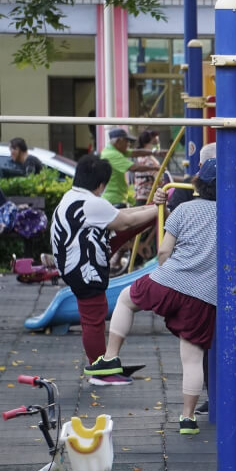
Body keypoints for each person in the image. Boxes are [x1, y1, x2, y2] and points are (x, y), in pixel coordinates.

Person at [84, 158, 236, 435]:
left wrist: (165, 275)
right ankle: (187, 418)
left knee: (125, 299)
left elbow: (163, 252)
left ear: (199, 185)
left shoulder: (184, 209)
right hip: (204, 296)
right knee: (192, 356)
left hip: (169, 281)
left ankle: (110, 356)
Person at [165, 142, 236, 416]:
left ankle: (215, 398)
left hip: (212, 275)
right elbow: (170, 224)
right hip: (208, 274)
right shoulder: (186, 193)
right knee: (210, 339)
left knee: (206, 341)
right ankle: (218, 398)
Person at [50, 155, 166, 385]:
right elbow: (123, 222)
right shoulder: (91, 203)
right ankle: (100, 371)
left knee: (92, 315)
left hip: (78, 258)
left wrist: (154, 207)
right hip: (82, 266)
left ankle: (101, 365)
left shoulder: (74, 197)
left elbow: (125, 217)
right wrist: (156, 211)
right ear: (101, 185)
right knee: (94, 316)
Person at [100, 128, 161, 208]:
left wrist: (154, 152)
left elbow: (135, 152)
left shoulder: (114, 150)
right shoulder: (111, 154)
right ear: (118, 141)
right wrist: (156, 168)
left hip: (122, 197)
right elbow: (134, 167)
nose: (128, 144)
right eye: (126, 141)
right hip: (114, 199)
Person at [133, 130, 164, 206]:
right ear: (146, 143)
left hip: (140, 196)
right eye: (155, 142)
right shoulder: (148, 159)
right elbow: (159, 179)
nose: (157, 145)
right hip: (148, 197)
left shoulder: (138, 157)